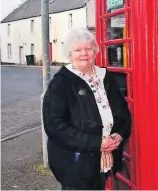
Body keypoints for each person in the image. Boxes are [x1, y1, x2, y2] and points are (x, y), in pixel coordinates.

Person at [42, 28, 131, 190]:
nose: (84, 53)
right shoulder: (60, 83)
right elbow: (54, 126)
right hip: (77, 163)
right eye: (77, 50)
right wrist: (96, 143)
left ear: (95, 51)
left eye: (88, 48)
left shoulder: (105, 76)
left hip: (106, 158)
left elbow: (123, 112)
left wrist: (120, 133)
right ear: (70, 54)